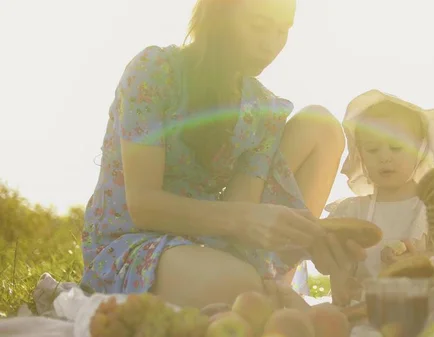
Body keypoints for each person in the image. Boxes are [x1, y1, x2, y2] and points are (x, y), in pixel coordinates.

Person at [81, 0, 365, 310]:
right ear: (221, 16)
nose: (271, 44)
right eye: (258, 26)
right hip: (134, 240)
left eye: (282, 31)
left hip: (211, 237)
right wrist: (244, 219)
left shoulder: (264, 109)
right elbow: (144, 206)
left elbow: (238, 212)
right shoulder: (154, 72)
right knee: (237, 287)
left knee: (320, 125)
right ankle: (262, 294)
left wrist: (313, 240)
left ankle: (272, 285)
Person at [325, 89, 434, 305]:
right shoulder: (353, 213)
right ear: (360, 155)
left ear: (419, 150)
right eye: (373, 149)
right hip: (365, 312)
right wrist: (343, 278)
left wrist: (421, 261)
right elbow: (338, 275)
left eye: (396, 147)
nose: (384, 157)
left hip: (421, 313)